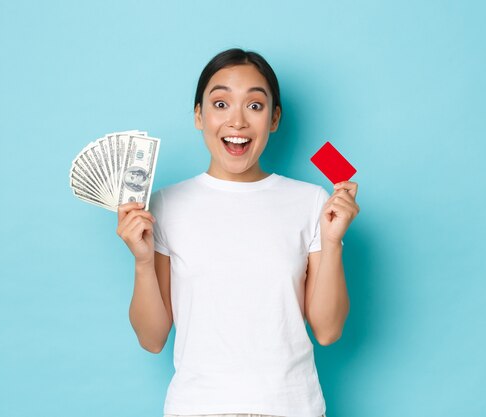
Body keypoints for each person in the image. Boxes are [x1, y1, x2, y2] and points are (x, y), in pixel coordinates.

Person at [116, 48, 360, 417]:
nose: (237, 121)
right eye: (220, 104)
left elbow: (328, 331)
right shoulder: (166, 205)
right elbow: (152, 339)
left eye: (255, 106)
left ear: (275, 118)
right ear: (199, 115)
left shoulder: (310, 201)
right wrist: (142, 261)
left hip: (291, 407)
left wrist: (332, 241)